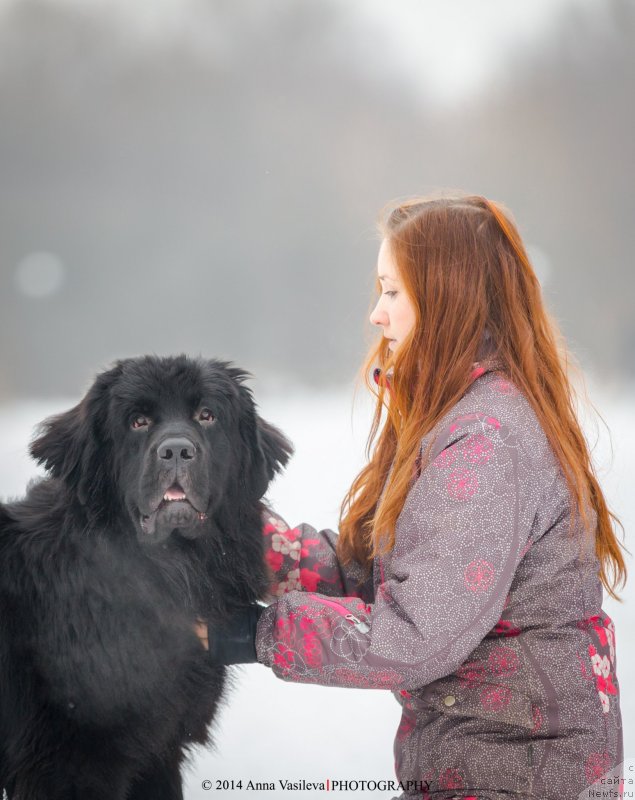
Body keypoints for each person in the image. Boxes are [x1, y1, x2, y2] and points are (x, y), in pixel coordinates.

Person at [202, 194, 627, 800]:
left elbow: (414, 634)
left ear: (447, 298)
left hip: (519, 778)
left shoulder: (486, 443)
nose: (377, 314)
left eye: (393, 291)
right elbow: (410, 580)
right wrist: (263, 547)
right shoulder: (464, 417)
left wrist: (247, 632)